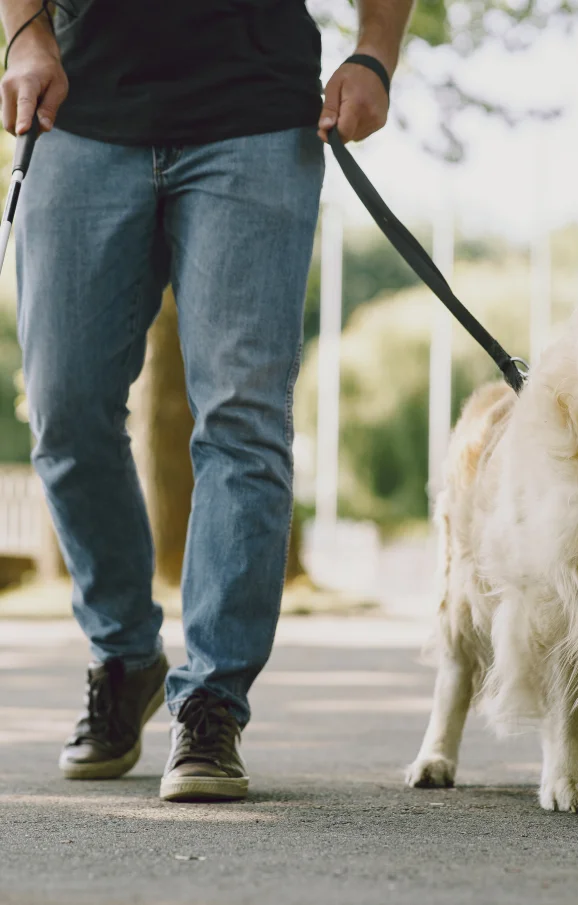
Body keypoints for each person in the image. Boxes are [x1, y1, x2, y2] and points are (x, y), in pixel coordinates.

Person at [0, 0, 413, 802]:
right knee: (65, 406)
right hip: (82, 111)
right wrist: (24, 32)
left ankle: (212, 699)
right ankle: (125, 658)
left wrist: (376, 52)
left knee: (242, 418)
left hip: (254, 116)